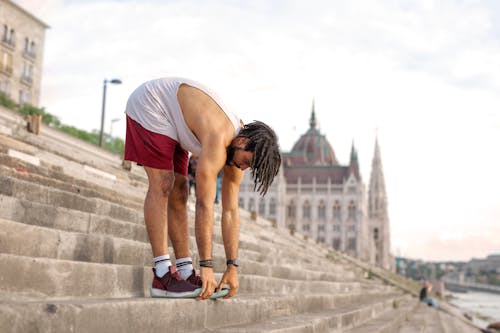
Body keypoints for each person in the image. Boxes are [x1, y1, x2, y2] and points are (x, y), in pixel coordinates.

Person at [124, 77, 281, 300]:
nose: (244, 167)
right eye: (248, 161)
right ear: (243, 142)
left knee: (180, 191)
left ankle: (186, 273)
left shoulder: (238, 152)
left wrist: (232, 267)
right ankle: (161, 275)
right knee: (163, 183)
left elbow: (230, 212)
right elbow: (204, 204)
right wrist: (206, 266)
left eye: (250, 167)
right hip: (152, 103)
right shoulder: (219, 138)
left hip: (176, 121)